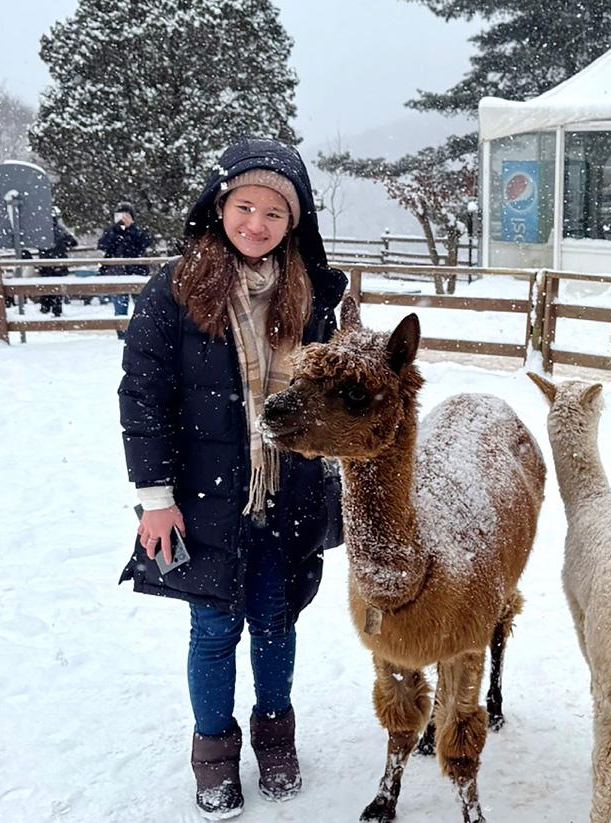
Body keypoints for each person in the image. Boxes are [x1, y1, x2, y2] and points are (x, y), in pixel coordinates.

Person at [117, 137, 346, 819]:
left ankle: (276, 737)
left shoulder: (309, 293)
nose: (256, 224)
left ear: (293, 223)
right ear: (220, 206)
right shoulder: (175, 291)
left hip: (288, 491)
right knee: (214, 629)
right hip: (203, 497)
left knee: (276, 623)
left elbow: (327, 396)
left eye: (274, 213)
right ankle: (214, 751)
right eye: (245, 206)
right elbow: (143, 396)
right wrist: (155, 499)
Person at [97, 201, 152, 337]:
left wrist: (131, 229)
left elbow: (145, 243)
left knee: (141, 307)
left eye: (126, 215)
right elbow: (103, 246)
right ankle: (122, 335)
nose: (123, 218)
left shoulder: (138, 231)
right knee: (120, 308)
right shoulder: (111, 231)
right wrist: (115, 230)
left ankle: (142, 333)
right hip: (118, 274)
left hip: (136, 273)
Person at [36, 209, 78, 316]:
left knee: (46, 287)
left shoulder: (41, 231)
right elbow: (73, 242)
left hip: (45, 264)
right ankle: (56, 309)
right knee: (57, 288)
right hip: (59, 263)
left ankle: (45, 307)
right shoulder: (60, 230)